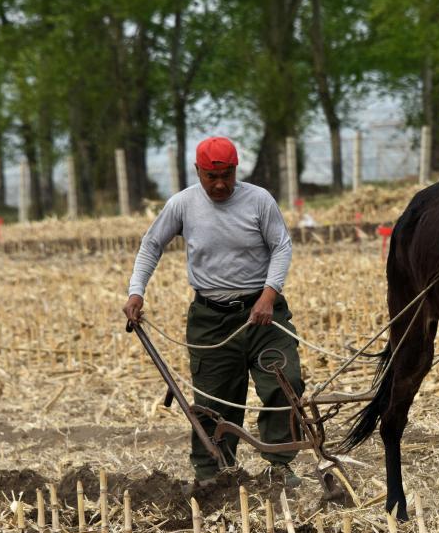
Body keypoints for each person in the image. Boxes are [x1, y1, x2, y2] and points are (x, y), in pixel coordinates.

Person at [123, 136, 304, 488]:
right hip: (211, 319)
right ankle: (213, 474)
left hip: (264, 314)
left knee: (285, 382)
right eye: (211, 177)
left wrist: (268, 296)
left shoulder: (259, 201)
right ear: (198, 171)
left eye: (226, 176)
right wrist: (136, 292)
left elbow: (281, 246)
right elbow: (151, 246)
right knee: (213, 400)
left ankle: (279, 465)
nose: (220, 184)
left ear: (236, 170)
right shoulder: (182, 204)